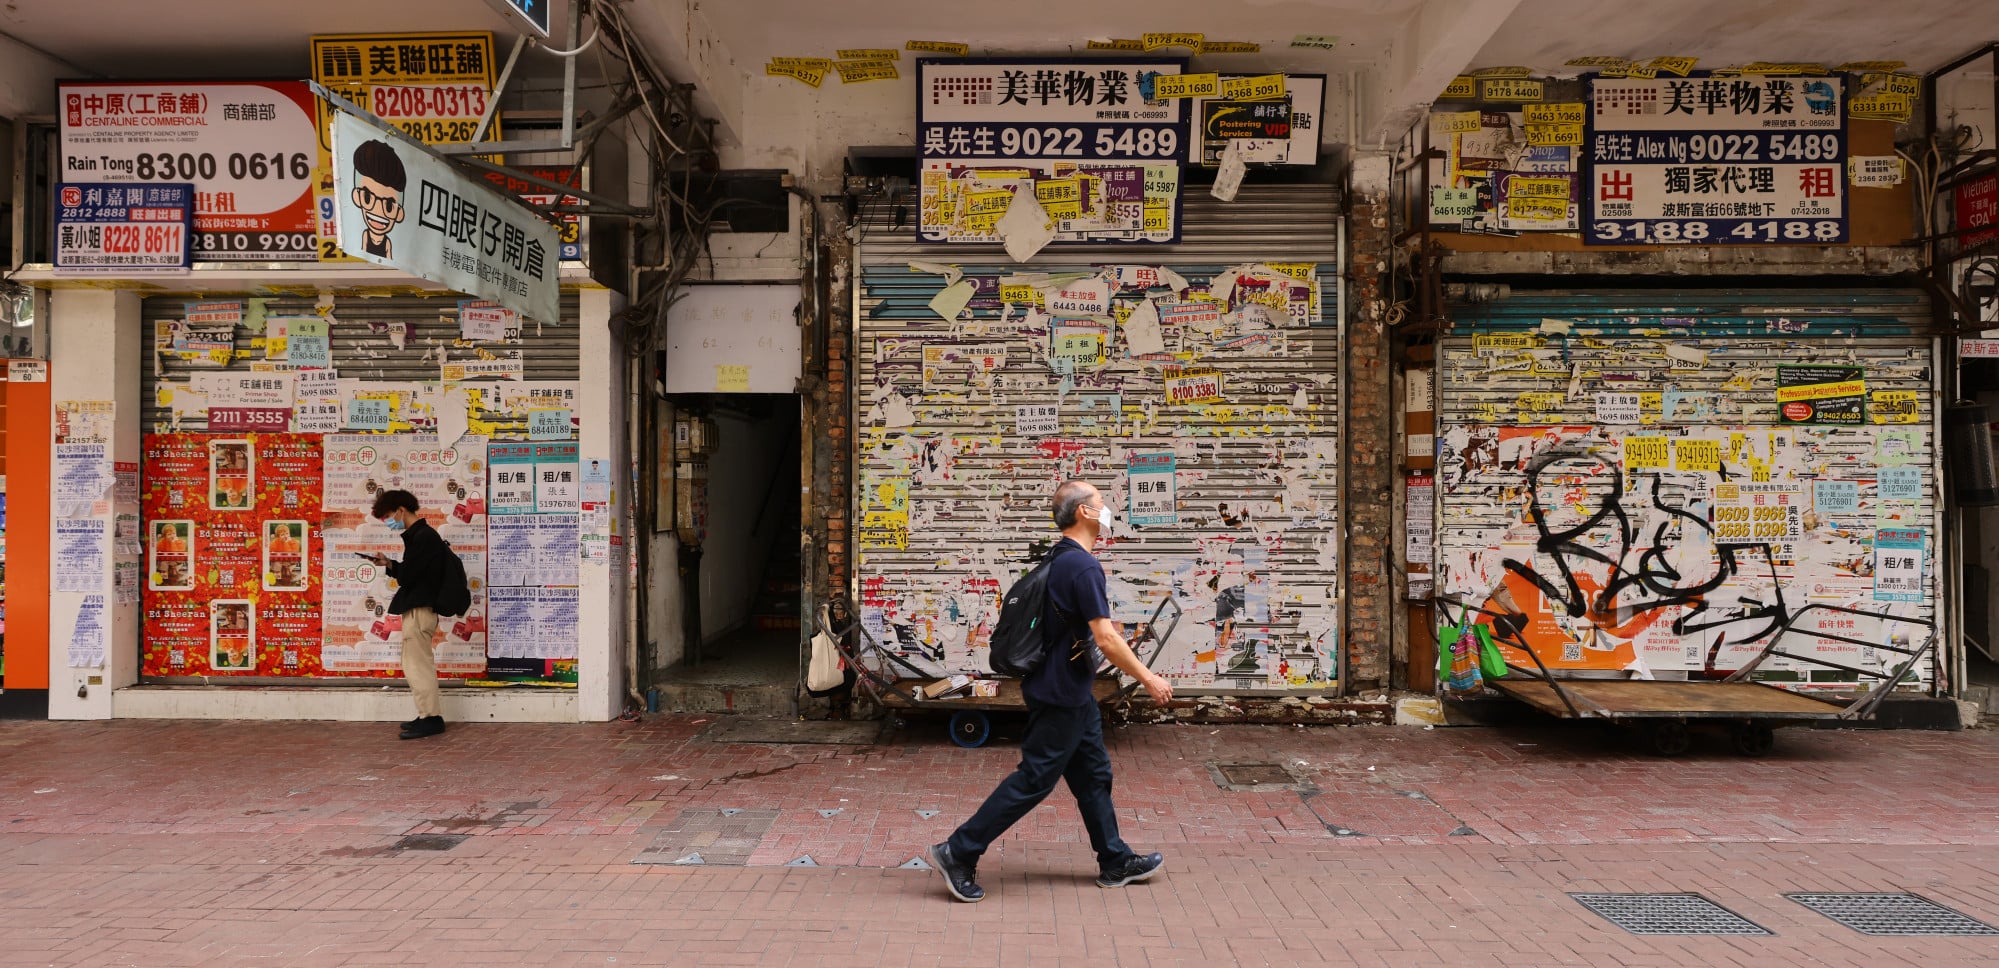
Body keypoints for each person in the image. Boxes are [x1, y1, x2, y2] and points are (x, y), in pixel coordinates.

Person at [929, 479, 1174, 903]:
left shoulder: (1062, 559)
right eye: (1100, 501)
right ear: (1085, 512)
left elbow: (1081, 626)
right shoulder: (1081, 565)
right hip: (1060, 692)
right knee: (1035, 779)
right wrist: (1148, 677)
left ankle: (1114, 860)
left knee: (1094, 776)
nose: (1106, 507)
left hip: (1072, 691)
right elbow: (1105, 638)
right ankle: (959, 850)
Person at [360, 489, 454, 739]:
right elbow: (414, 572)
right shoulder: (419, 535)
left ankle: (432, 718)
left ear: (401, 510)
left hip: (421, 608)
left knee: (417, 664)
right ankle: (426, 713)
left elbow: (411, 576)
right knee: (414, 662)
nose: (389, 522)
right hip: (419, 607)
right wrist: (390, 564)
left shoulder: (422, 537)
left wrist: (394, 567)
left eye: (389, 516)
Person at [350, 139, 408, 259]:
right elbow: (364, 253)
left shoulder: (387, 242)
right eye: (367, 198)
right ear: (356, 196)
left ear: (399, 213)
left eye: (389, 205)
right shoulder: (365, 235)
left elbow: (390, 257)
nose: (377, 209)